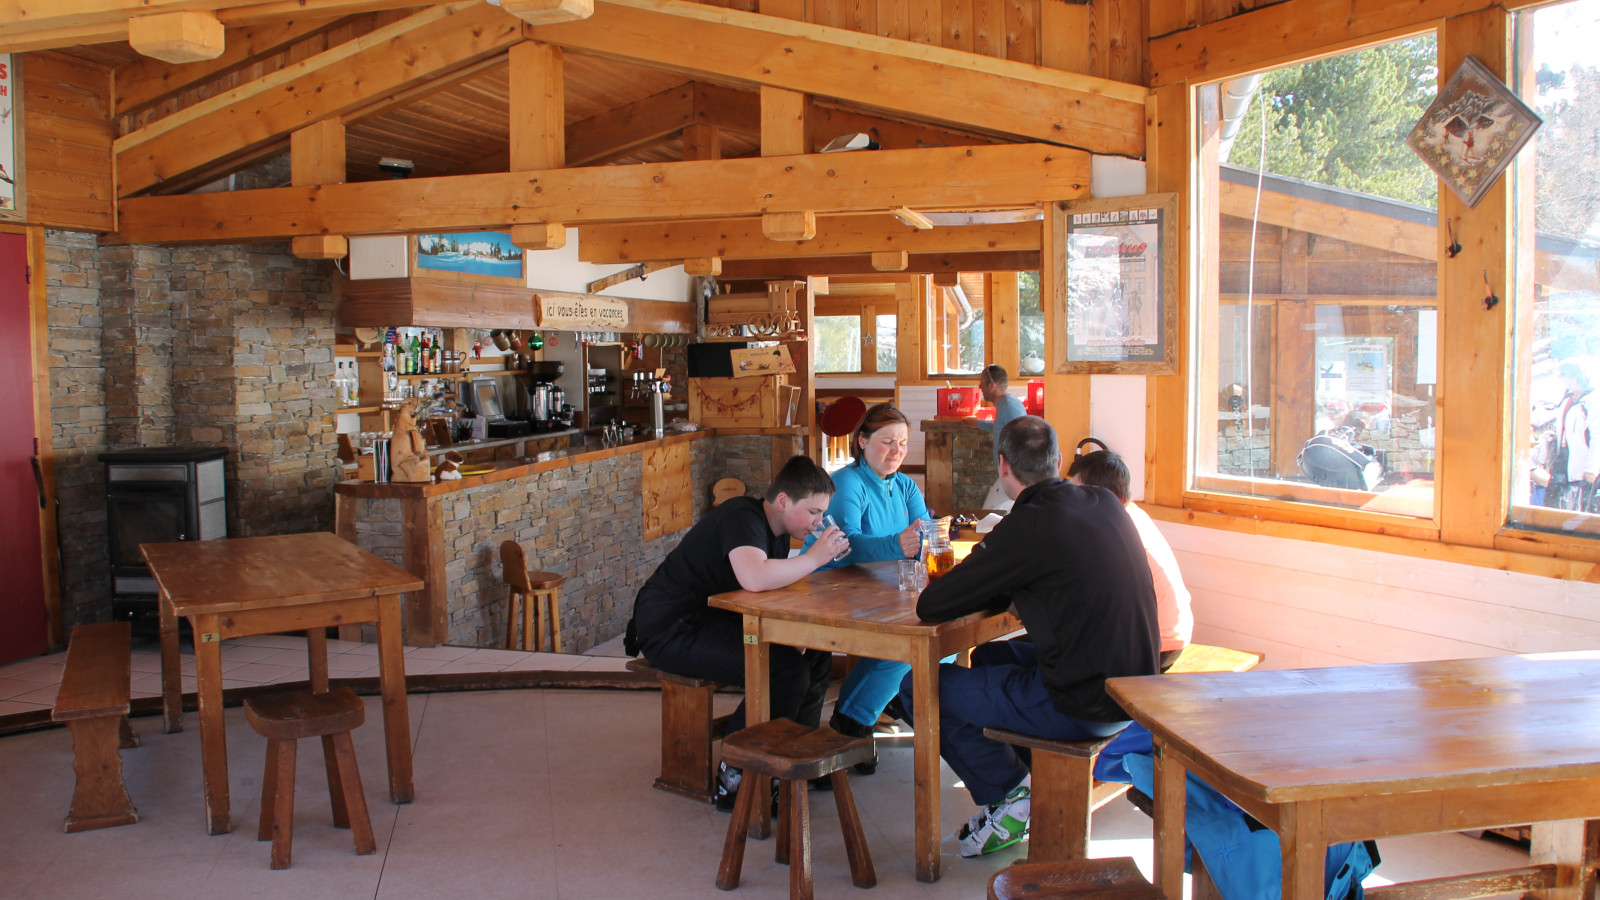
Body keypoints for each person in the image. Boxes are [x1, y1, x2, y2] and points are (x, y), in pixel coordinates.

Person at [896, 416, 1160, 858]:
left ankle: (1011, 796)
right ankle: (1026, 782)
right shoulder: (1103, 500)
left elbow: (932, 605)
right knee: (987, 659)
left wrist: (994, 571)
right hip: (1138, 691)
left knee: (916, 687)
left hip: (1085, 705)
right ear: (1058, 462)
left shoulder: (1026, 525)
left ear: (1002, 466)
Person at [624, 455, 851, 810]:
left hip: (712, 617)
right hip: (670, 626)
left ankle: (793, 757)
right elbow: (754, 577)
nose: (818, 522)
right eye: (812, 512)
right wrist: (816, 557)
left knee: (816, 652)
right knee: (785, 669)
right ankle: (736, 777)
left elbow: (765, 584)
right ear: (782, 501)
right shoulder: (742, 517)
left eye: (822, 514)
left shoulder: (775, 532)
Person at [800, 404, 928, 773]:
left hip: (876, 588)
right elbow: (846, 544)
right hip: (829, 585)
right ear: (862, 441)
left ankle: (875, 704)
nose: (896, 451)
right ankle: (854, 718)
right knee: (902, 643)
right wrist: (896, 545)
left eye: (902, 443)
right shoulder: (847, 483)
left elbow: (923, 530)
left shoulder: (904, 484)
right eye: (887, 442)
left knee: (941, 645)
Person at [1066, 446, 1193, 670]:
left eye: (1075, 492)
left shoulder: (1111, 532)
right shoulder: (1132, 513)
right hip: (1172, 635)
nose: (1068, 500)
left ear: (1100, 496)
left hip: (1154, 647)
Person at [973, 364, 1028, 512]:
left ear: (992, 385)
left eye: (982, 383)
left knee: (990, 514)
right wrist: (978, 423)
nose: (979, 387)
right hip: (1009, 474)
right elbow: (1001, 428)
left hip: (1013, 475)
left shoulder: (1010, 406)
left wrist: (1014, 474)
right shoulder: (1005, 405)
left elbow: (1023, 437)